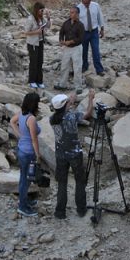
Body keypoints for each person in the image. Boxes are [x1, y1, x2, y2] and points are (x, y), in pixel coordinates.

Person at [50, 90, 95, 219]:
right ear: (65, 105)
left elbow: (64, 112)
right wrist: (91, 99)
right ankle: (81, 209)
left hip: (60, 154)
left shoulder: (52, 118)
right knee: (80, 181)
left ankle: (60, 212)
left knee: (62, 183)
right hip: (75, 153)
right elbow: (87, 113)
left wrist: (70, 102)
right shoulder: (72, 116)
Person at [10, 92, 42, 217]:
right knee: (26, 179)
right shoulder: (31, 119)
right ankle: (22, 206)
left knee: (24, 178)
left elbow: (12, 122)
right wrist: (38, 155)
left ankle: (24, 200)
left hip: (21, 149)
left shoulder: (21, 114)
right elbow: (34, 140)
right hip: (28, 152)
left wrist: (19, 135)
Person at [54, 6, 85, 92]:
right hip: (67, 48)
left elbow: (81, 38)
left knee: (77, 67)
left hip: (76, 48)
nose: (70, 14)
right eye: (70, 12)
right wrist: (61, 40)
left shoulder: (80, 25)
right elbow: (61, 32)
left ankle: (78, 87)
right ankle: (62, 84)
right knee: (64, 66)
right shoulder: (66, 23)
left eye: (72, 12)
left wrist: (71, 41)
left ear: (77, 14)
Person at [23, 2, 50, 89]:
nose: (42, 12)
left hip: (40, 42)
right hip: (33, 43)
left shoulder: (41, 18)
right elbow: (26, 32)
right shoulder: (30, 19)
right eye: (41, 10)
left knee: (40, 62)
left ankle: (39, 80)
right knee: (33, 62)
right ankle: (32, 81)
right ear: (37, 10)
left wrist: (48, 18)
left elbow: (48, 26)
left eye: (43, 10)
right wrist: (36, 32)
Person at [77, 0, 105, 76]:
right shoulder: (78, 8)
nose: (85, 4)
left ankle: (99, 70)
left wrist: (102, 29)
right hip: (83, 33)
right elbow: (76, 21)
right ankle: (84, 66)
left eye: (87, 3)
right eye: (84, 3)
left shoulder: (96, 6)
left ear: (90, 0)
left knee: (96, 50)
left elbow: (100, 17)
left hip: (94, 32)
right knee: (83, 51)